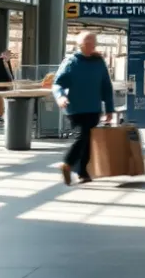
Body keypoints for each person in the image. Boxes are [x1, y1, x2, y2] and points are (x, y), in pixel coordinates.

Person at [52, 31, 116, 186]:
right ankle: (67, 163)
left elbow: (106, 86)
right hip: (75, 107)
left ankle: (82, 172)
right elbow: (57, 83)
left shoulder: (98, 62)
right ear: (79, 45)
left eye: (92, 43)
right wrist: (60, 96)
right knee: (82, 136)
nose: (90, 46)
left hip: (93, 107)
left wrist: (109, 108)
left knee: (88, 139)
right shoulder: (71, 62)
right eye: (87, 43)